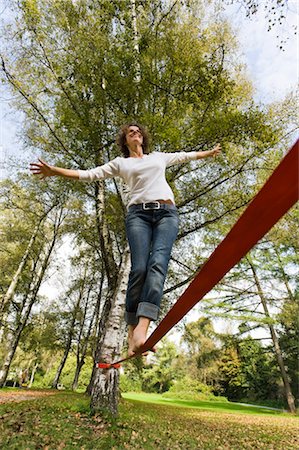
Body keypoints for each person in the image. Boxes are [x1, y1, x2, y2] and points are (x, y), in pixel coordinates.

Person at [30, 123, 221, 356]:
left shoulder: (158, 157)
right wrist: (55, 171)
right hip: (138, 215)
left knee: (158, 264)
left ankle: (142, 328)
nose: (135, 133)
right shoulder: (121, 164)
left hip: (167, 214)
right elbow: (90, 174)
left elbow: (185, 156)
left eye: (138, 131)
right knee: (139, 269)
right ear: (125, 140)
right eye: (131, 132)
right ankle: (132, 332)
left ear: (143, 138)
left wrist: (208, 153)